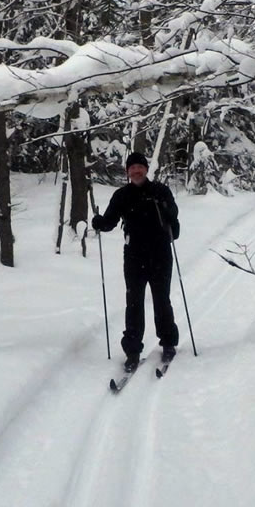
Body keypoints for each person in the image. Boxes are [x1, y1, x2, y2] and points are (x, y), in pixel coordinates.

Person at [91, 152, 180, 372]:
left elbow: (174, 214)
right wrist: (100, 222)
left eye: (140, 167)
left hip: (160, 253)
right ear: (127, 172)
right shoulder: (122, 195)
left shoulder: (160, 191)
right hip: (134, 256)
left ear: (146, 170)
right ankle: (132, 351)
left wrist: (167, 210)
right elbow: (110, 221)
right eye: (132, 168)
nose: (136, 171)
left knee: (161, 300)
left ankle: (168, 343)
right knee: (134, 303)